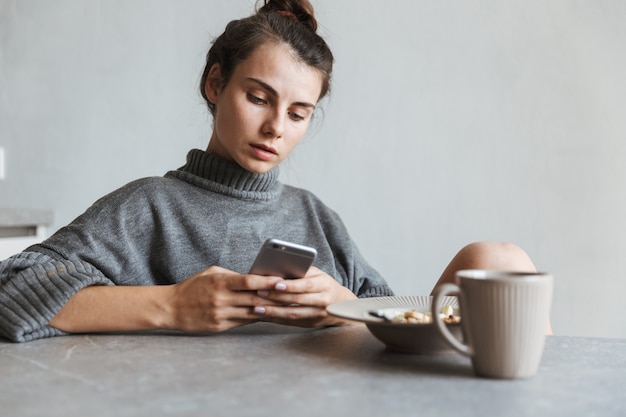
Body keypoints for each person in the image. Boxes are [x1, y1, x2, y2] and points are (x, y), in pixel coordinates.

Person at [0, 0, 542, 343]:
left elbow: (392, 326)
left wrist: (342, 306)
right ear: (216, 86)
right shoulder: (149, 207)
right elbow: (13, 288)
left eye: (299, 113)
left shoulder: (315, 216)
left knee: (497, 260)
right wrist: (171, 305)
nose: (276, 127)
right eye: (259, 98)